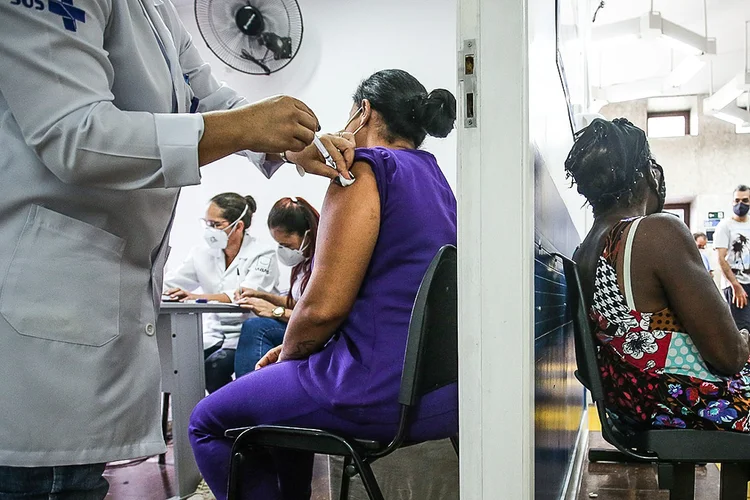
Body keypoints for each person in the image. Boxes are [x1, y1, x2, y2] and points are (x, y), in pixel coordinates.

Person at [0, 0, 355, 496]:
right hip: (42, 318)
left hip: (114, 320)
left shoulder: (157, 13)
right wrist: (249, 127)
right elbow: (75, 136)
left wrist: (283, 139)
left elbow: (207, 97)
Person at [188, 69, 458, 499]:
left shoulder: (362, 170)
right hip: (432, 389)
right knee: (280, 403)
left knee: (205, 422)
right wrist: (293, 356)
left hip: (372, 387)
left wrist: (288, 357)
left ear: (363, 112)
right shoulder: (437, 181)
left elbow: (322, 309)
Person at [567, 117, 750, 432]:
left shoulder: (584, 250)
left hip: (629, 404)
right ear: (645, 173)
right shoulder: (657, 232)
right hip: (678, 402)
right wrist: (745, 339)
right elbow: (729, 356)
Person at [163, 193, 279, 392]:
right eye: (207, 224)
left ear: (239, 226)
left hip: (247, 334)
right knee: (183, 367)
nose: (210, 230)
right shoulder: (201, 253)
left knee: (213, 369)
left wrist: (194, 297)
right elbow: (169, 284)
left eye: (216, 225)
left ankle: (231, 412)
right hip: (213, 334)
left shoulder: (262, 254)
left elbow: (246, 295)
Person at [234, 197, 320, 378]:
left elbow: (316, 315)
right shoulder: (302, 263)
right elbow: (298, 303)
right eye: (279, 244)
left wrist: (275, 311)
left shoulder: (323, 264)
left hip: (318, 333)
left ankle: (254, 396)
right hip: (301, 325)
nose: (282, 250)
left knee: (257, 327)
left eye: (286, 245)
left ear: (308, 234)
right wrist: (262, 295)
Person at [714, 185, 750, 330]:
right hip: (736, 284)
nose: (740, 204)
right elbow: (721, 259)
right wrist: (735, 286)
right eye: (737, 200)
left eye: (745, 200)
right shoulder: (725, 226)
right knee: (742, 327)